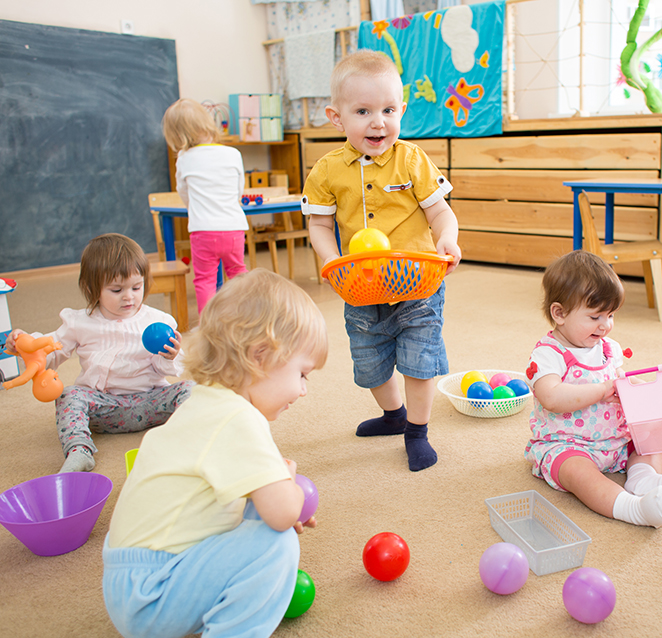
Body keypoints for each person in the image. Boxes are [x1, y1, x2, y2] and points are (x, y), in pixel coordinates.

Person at [102, 269, 327, 638]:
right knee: (278, 544)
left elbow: (240, 497)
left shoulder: (204, 402)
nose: (303, 390)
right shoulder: (238, 419)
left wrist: (271, 497)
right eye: (302, 374)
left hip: (134, 583)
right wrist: (286, 481)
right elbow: (285, 513)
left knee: (260, 514)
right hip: (152, 593)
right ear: (261, 357)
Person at [301, 49, 461, 472]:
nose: (379, 122)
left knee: (420, 358)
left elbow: (440, 211)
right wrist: (332, 262)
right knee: (370, 363)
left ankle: (417, 432)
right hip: (360, 284)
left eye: (389, 109)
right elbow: (318, 227)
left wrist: (448, 239)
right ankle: (394, 417)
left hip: (419, 280)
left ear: (402, 110)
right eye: (363, 111)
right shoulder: (325, 171)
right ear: (337, 118)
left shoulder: (412, 159)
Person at [524, 250, 662, 527]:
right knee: (578, 473)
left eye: (611, 315)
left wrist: (645, 395)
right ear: (559, 313)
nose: (606, 326)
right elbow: (551, 397)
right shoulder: (548, 354)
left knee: (655, 431)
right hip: (568, 445)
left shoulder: (608, 348)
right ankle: (631, 508)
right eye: (596, 317)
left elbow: (619, 381)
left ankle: (642, 476)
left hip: (616, 440)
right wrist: (601, 390)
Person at [5, 233, 193, 473]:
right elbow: (50, 351)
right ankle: (79, 450)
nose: (129, 296)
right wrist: (25, 346)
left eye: (137, 287)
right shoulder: (79, 322)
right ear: (91, 288)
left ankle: (187, 441)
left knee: (190, 389)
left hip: (150, 403)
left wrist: (171, 355)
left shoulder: (158, 320)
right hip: (103, 409)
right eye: (116, 290)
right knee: (69, 394)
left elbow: (173, 368)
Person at [162, 97, 248, 313]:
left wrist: (197, 209)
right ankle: (246, 317)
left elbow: (184, 193)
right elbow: (238, 190)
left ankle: (207, 326)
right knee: (238, 273)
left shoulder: (184, 158)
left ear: (176, 135)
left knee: (205, 280)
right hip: (233, 227)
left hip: (203, 230)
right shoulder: (232, 153)